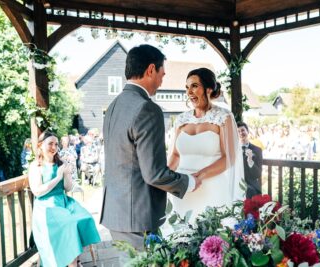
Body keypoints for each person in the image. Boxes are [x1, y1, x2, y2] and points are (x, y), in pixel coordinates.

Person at [101, 44, 202, 250]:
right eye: (162, 74)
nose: (161, 81)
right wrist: (189, 182)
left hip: (116, 213)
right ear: (150, 70)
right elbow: (154, 174)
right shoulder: (147, 109)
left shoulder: (113, 106)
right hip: (138, 216)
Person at [166, 67, 244, 221]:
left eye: (194, 86)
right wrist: (165, 179)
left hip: (212, 188)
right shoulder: (181, 119)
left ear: (208, 89)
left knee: (211, 238)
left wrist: (199, 177)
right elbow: (175, 154)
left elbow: (229, 157)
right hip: (182, 190)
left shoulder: (224, 117)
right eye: (187, 87)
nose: (189, 92)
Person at [28, 131, 100, 267]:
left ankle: (75, 260)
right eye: (50, 144)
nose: (54, 147)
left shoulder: (60, 163)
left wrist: (66, 175)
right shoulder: (36, 166)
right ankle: (72, 261)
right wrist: (57, 177)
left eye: (56, 144)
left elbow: (67, 188)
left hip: (63, 202)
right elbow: (37, 191)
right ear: (40, 146)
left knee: (84, 218)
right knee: (70, 224)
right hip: (46, 208)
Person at [237, 121, 263, 198]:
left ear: (247, 131)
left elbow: (258, 174)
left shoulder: (257, 150)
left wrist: (250, 161)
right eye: (238, 131)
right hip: (237, 182)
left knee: (250, 191)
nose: (241, 133)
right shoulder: (234, 150)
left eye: (242, 130)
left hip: (251, 184)